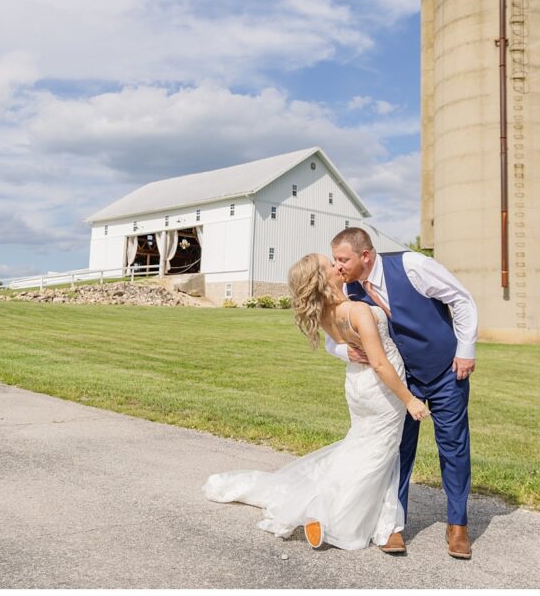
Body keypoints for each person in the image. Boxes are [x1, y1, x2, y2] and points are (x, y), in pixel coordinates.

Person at [202, 253, 430, 551]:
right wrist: (410, 399)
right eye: (330, 265)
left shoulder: (324, 313)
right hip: (381, 390)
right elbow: (380, 363)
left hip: (358, 387)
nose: (338, 266)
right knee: (377, 457)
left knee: (365, 450)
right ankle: (329, 516)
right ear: (323, 278)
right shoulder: (358, 310)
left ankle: (339, 510)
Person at [327, 228, 477, 559]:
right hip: (399, 380)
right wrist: (344, 352)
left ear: (365, 256)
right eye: (335, 259)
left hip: (445, 370)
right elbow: (330, 334)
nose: (337, 266)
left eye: (343, 259)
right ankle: (393, 525)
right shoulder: (347, 290)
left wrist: (465, 349)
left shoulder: (411, 265)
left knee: (453, 446)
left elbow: (461, 298)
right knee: (397, 449)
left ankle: (458, 525)